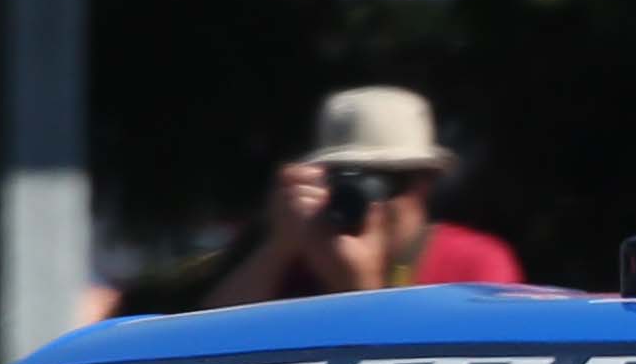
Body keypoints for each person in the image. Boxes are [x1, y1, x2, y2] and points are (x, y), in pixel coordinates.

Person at [158, 89, 526, 314]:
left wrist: (358, 290)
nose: (367, 200)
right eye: (345, 178)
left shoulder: (477, 263)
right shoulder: (300, 261)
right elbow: (210, 346)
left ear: (424, 182)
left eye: (385, 182)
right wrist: (279, 246)